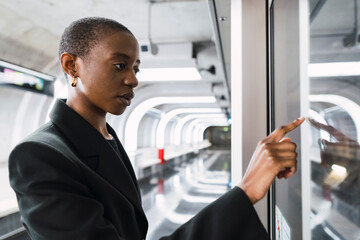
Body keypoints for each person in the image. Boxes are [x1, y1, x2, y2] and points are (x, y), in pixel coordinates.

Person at [8, 17, 304, 240]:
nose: (133, 80)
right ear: (72, 66)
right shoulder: (39, 155)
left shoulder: (106, 137)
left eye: (135, 68)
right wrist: (246, 190)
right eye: (119, 65)